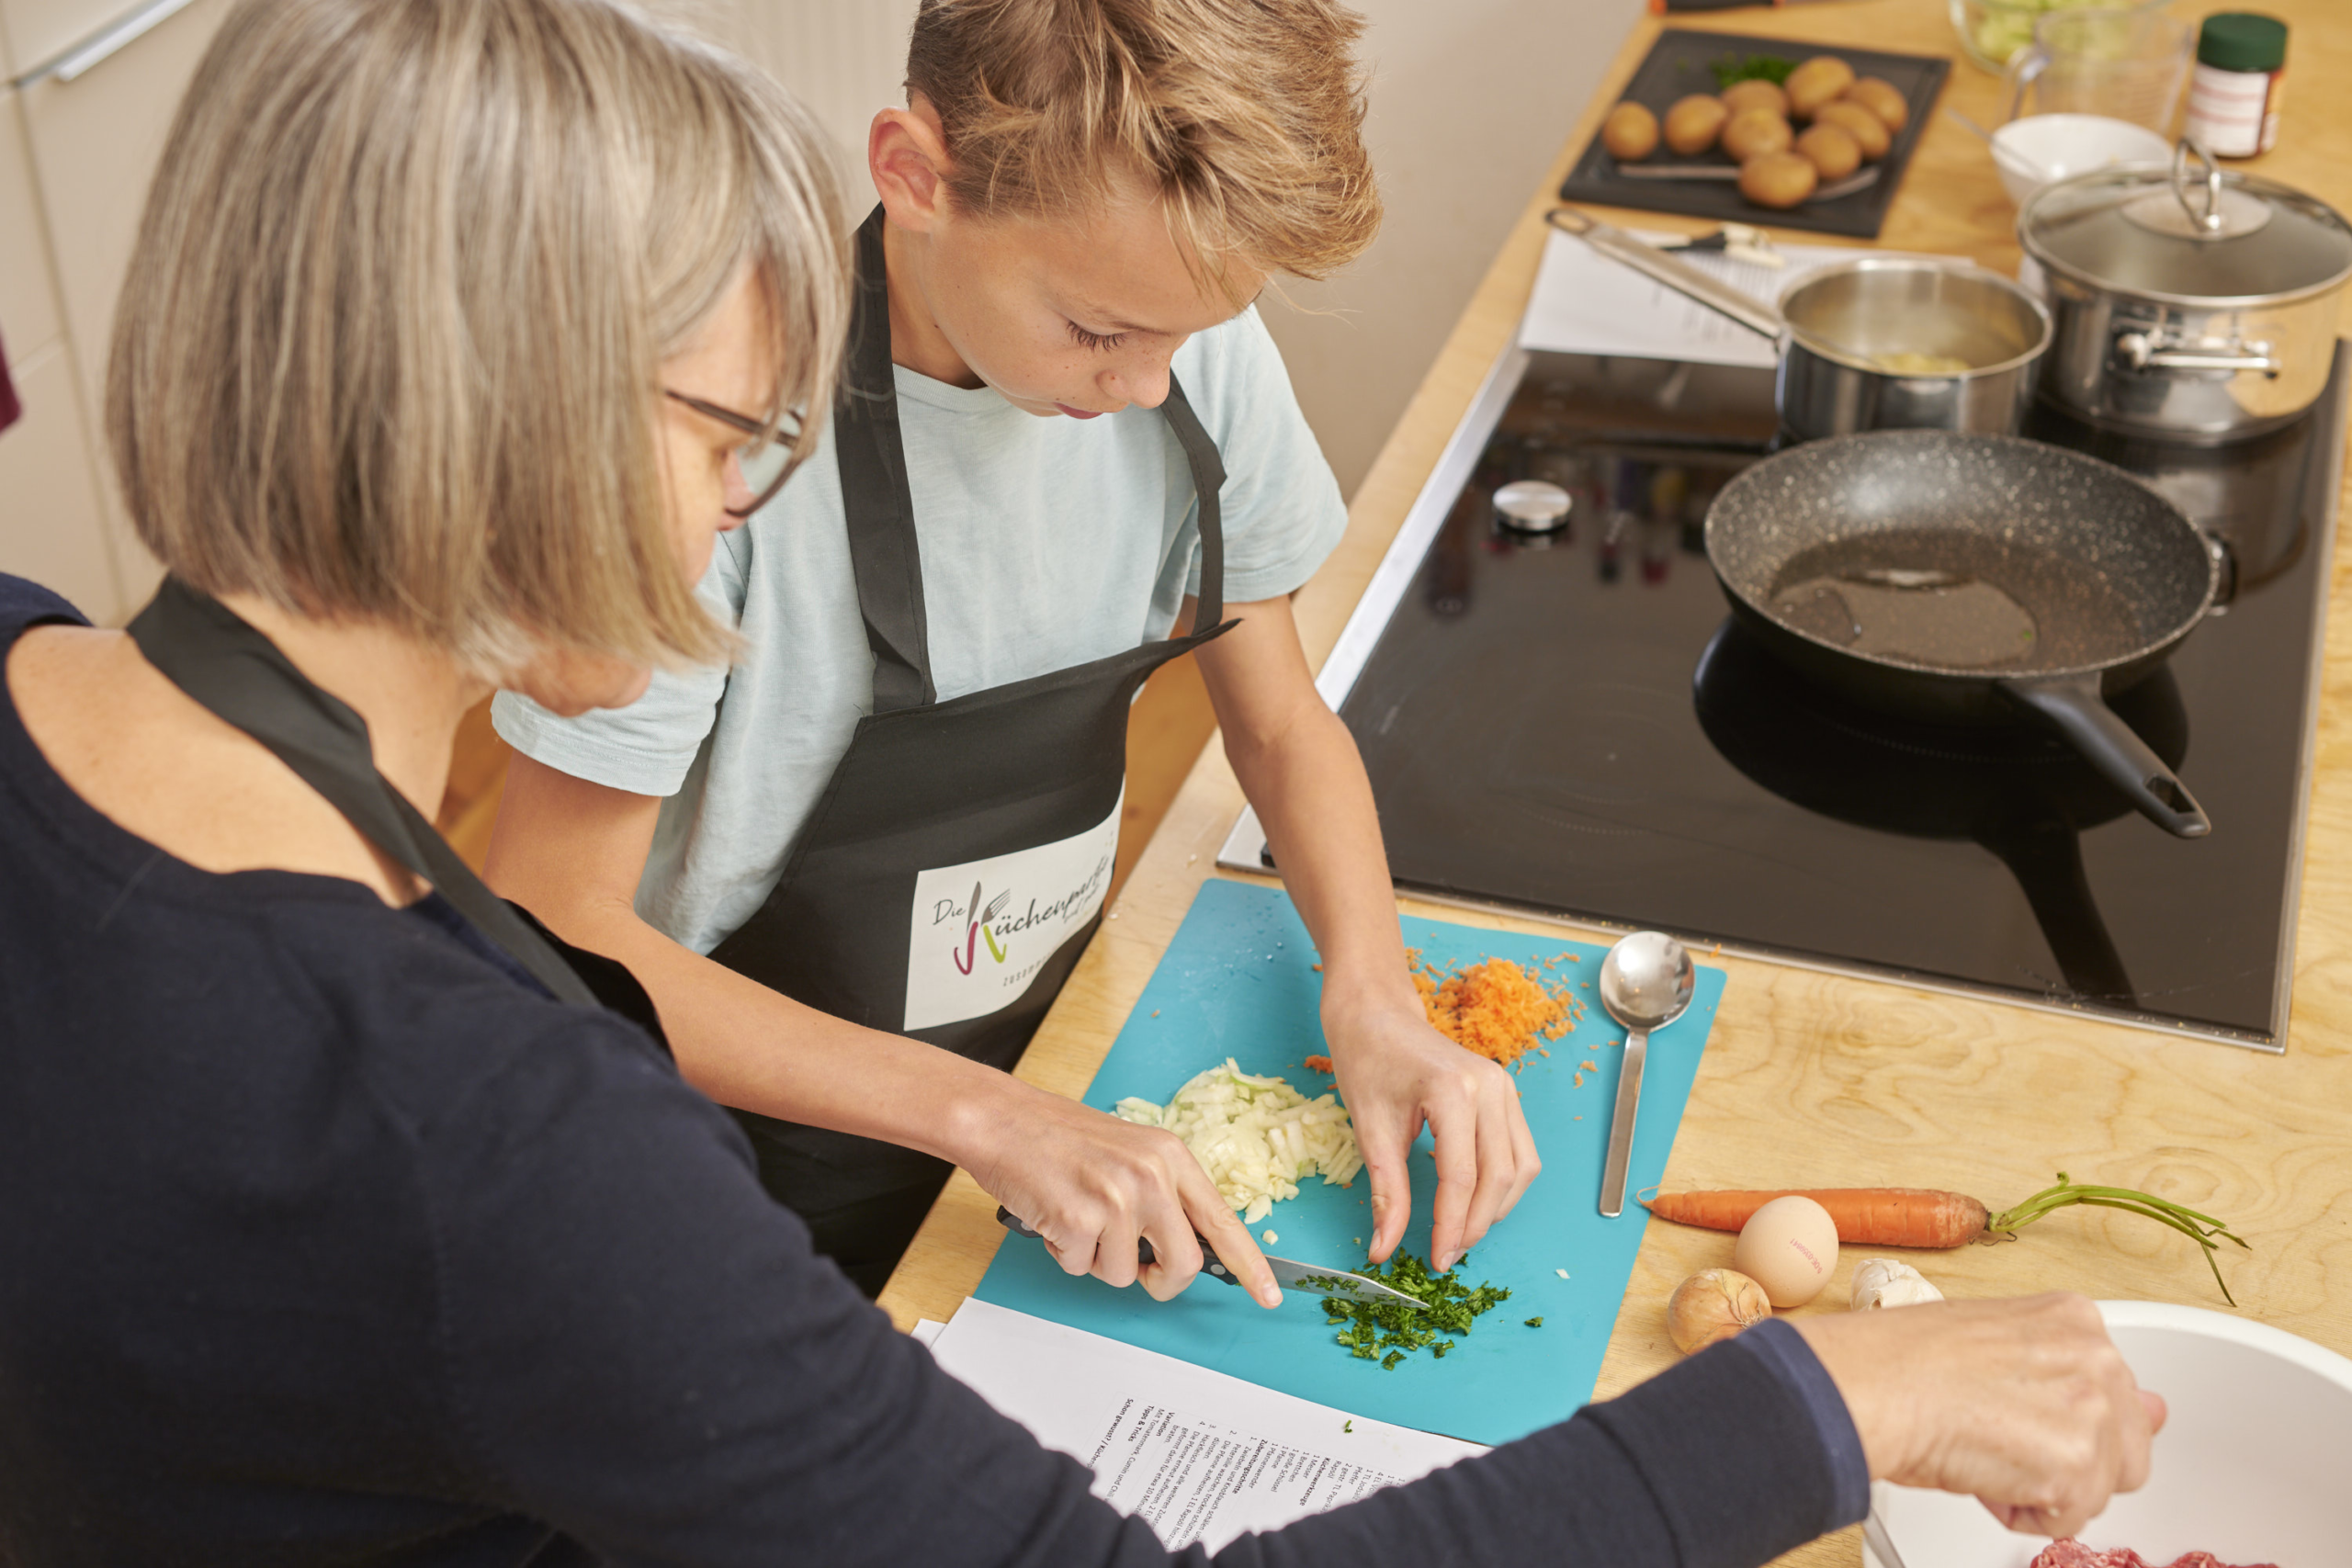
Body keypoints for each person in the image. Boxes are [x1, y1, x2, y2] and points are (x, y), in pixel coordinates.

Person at [0, 0, 2164, 1560]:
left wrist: (1363, 979)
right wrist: (1817, 1403)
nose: (738, 509)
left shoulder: (32, 660)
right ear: (504, 413)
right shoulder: (514, 1147)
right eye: (720, 433)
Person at [481, 0, 1537, 1298]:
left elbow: (1277, 721)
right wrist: (984, 1115)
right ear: (915, 176)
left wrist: (1372, 995)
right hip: (731, 1170)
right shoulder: (716, 436)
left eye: (1185, 337)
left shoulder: (1185, 353)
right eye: (1100, 332)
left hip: (1045, 1087)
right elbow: (549, 921)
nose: (1148, 385)